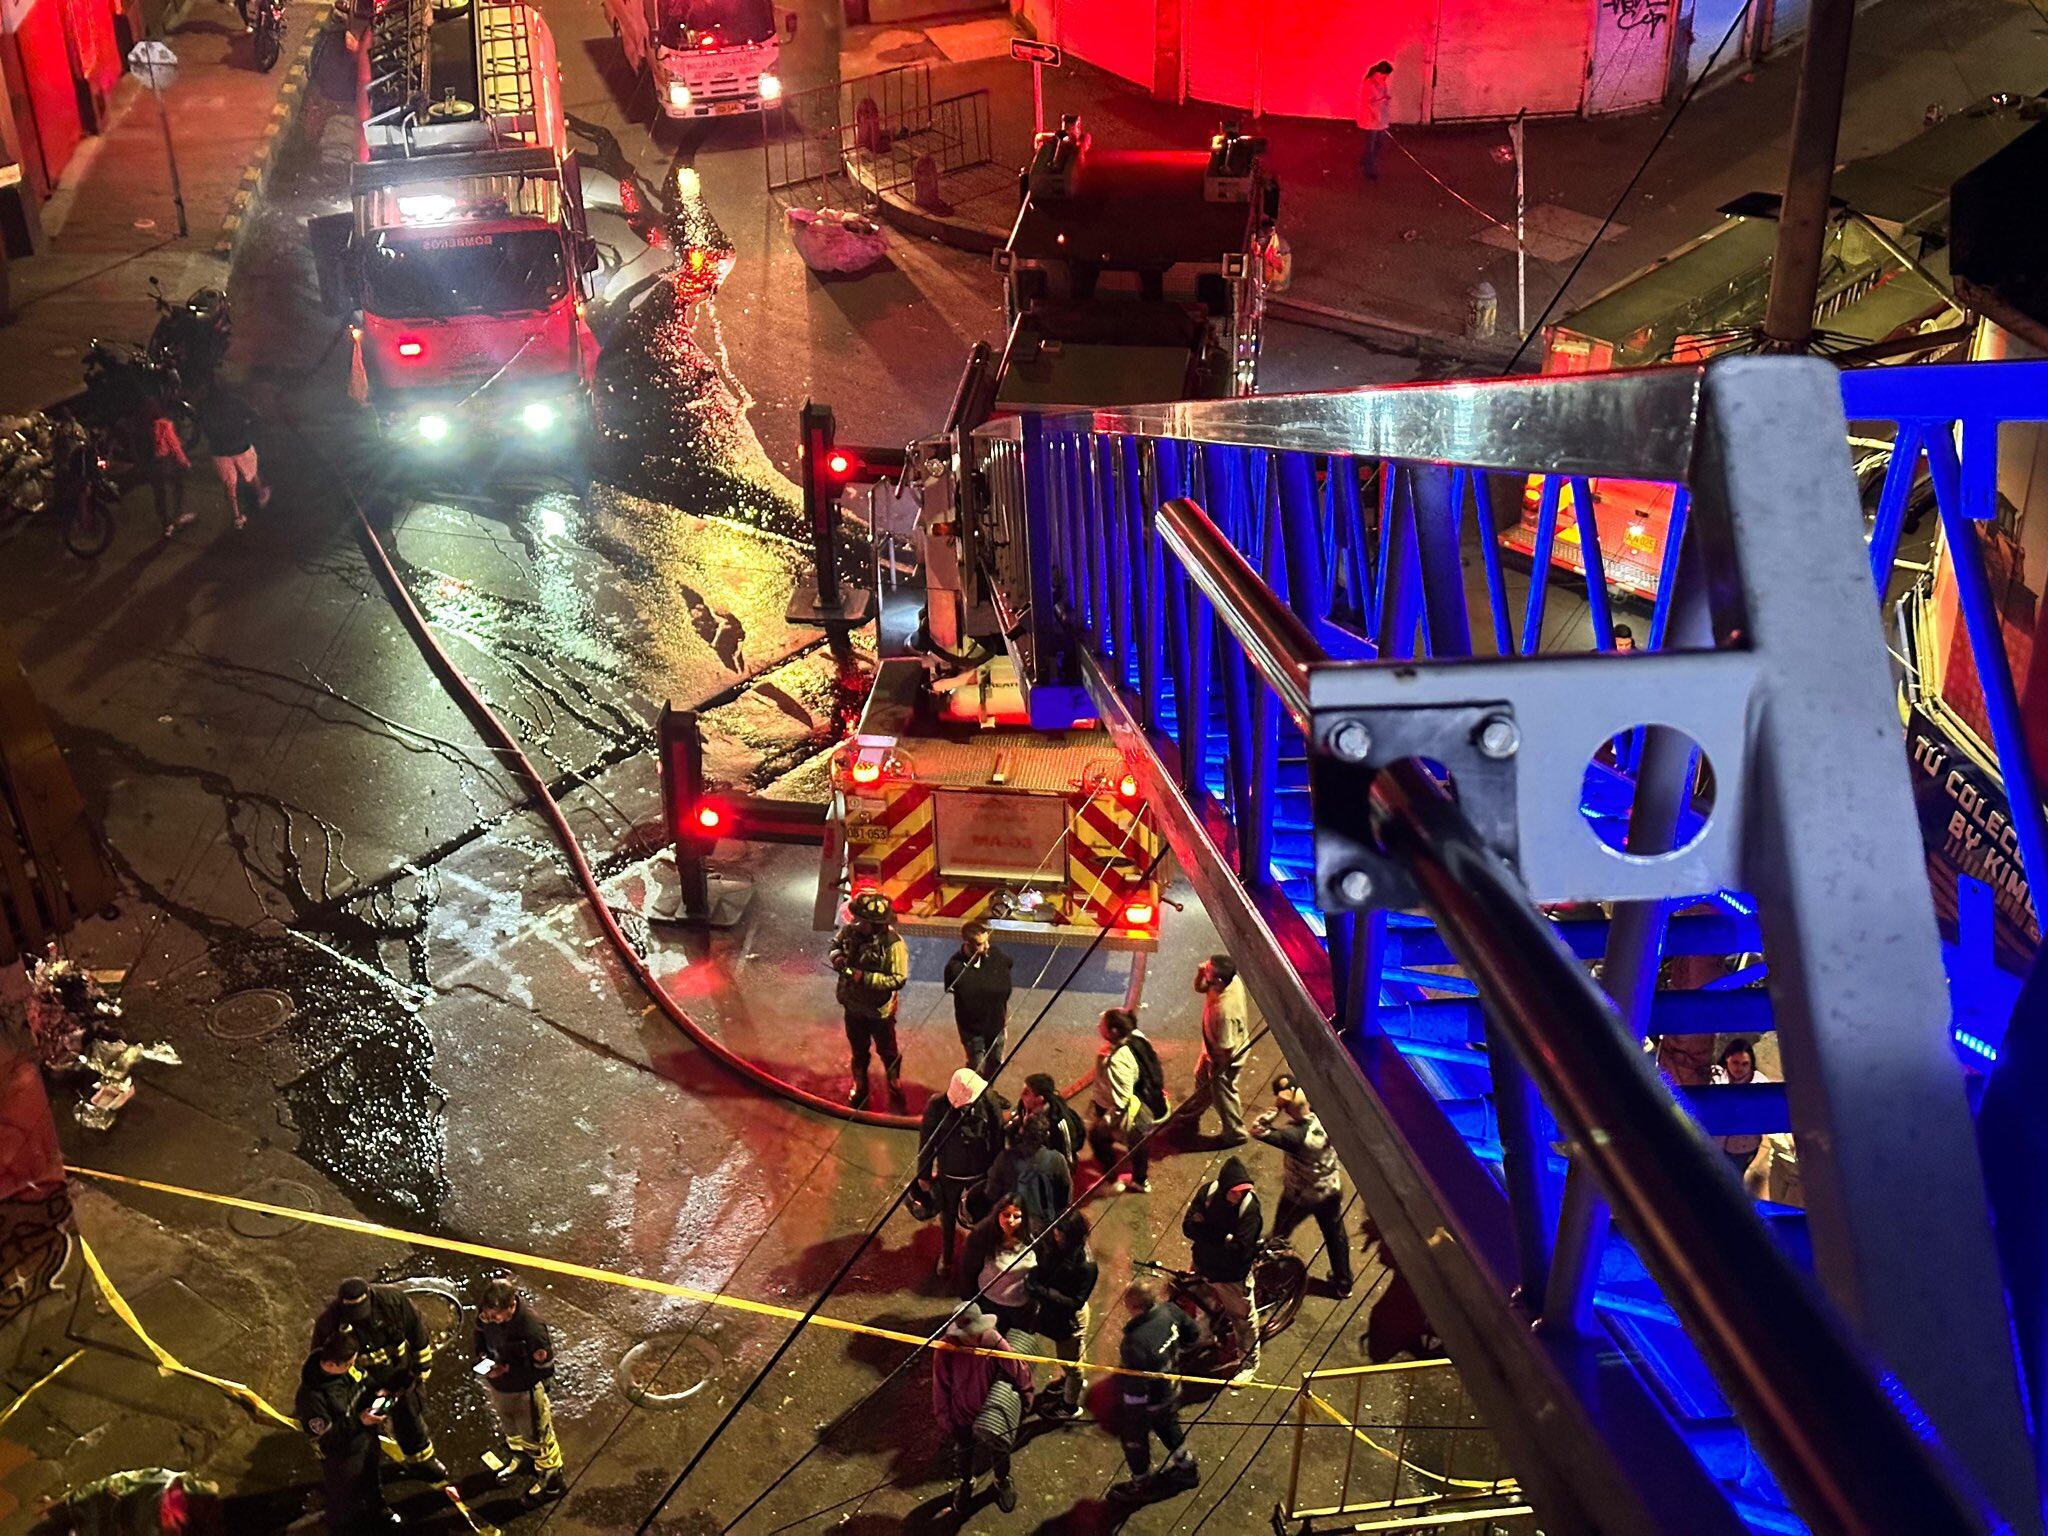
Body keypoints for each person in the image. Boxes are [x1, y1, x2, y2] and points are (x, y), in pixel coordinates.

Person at [309, 1277, 445, 1479]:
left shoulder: (393, 1301)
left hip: (399, 1373)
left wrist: (421, 1368)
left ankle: (422, 1461)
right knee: (363, 1429)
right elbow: (323, 1365)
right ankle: (365, 1471)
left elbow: (416, 1331)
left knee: (410, 1419)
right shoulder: (329, 1323)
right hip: (360, 1383)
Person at [1253, 1074, 1353, 1297]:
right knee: (1335, 1236)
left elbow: (1257, 1129)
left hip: (1299, 1196)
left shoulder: (1294, 1136)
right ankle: (1343, 1284)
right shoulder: (1324, 1116)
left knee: (1280, 1233)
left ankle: (1271, 1280)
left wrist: (1274, 1108)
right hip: (1329, 1190)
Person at [931, 1302, 1033, 1516]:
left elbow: (1016, 1366)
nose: (974, 1337)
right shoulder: (946, 1349)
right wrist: (945, 1418)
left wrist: (1027, 1393)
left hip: (989, 1412)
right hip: (961, 1415)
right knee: (964, 1451)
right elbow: (940, 1386)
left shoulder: (992, 1339)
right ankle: (967, 1481)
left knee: (1000, 1451)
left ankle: (1001, 1479)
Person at [474, 1277, 567, 1506]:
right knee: (511, 1429)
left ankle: (552, 1482)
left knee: (537, 1436)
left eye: (496, 1315)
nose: (491, 1320)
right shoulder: (486, 1314)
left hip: (525, 1392)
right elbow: (479, 1334)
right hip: (500, 1387)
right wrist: (483, 1358)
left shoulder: (532, 1328)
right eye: (488, 1314)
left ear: (511, 1306)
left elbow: (544, 1369)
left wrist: (507, 1370)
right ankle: (522, 1458)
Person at [295, 1332, 399, 1533]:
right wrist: (360, 1421)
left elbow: (364, 1381)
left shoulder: (347, 1368)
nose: (354, 1366)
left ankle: (379, 1511)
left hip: (366, 1439)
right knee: (344, 1498)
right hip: (342, 1456)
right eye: (349, 1363)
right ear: (332, 1364)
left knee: (371, 1479)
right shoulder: (311, 1398)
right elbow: (327, 1438)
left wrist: (378, 1393)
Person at [918, 1067, 1008, 1278]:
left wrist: (997, 1173)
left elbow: (998, 1139)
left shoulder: (989, 1101)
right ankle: (947, 1256)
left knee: (984, 1217)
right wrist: (923, 1175)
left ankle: (981, 1257)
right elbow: (927, 1143)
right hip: (950, 1177)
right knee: (947, 1216)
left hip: (981, 1176)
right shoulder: (937, 1107)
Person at [1182, 1155, 1264, 1387]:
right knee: (1201, 1301)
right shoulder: (1208, 1194)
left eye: (1243, 1192)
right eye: (1235, 1191)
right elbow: (1188, 1228)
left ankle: (1250, 1362)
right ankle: (1204, 1337)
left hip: (1231, 1276)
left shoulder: (1249, 1210)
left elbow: (1240, 1249)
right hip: (1203, 1264)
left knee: (1243, 1319)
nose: (1240, 1196)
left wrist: (1206, 1231)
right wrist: (1223, 1238)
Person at [1113, 1276, 1199, 1496]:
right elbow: (1193, 1334)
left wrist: (1133, 1418)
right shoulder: (1170, 1311)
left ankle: (1140, 1483)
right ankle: (1187, 1467)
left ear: (1134, 1307)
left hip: (1151, 1400)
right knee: (1168, 1426)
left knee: (1134, 1442)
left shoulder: (1135, 1343)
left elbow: (1135, 1388)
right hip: (1171, 1388)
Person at [829, 891, 909, 1109]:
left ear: (876, 924)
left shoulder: (893, 945)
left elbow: (898, 978)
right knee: (858, 1050)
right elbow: (834, 946)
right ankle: (860, 1084)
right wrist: (837, 958)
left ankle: (894, 1082)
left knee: (888, 1051)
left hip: (879, 1012)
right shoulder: (849, 932)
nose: (857, 923)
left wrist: (862, 977)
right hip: (853, 1007)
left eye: (862, 921)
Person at [1173, 955, 1250, 1144]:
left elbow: (1227, 1048)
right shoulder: (1230, 981)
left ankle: (1235, 1133)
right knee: (1201, 1083)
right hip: (1211, 1050)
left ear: (1218, 980)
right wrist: (1201, 973)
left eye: (1208, 970)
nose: (1204, 969)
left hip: (1223, 1059)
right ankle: (1190, 1117)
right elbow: (1200, 988)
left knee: (1222, 1096)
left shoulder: (1224, 1011)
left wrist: (1216, 1069)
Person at [1028, 1212, 1097, 1419]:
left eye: (1060, 1233)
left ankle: (1069, 1406)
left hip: (1070, 1320)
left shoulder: (1086, 1265)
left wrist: (1042, 1291)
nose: (1055, 1235)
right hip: (1059, 1315)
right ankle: (1070, 1381)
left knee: (1071, 1361)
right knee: (1072, 1356)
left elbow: (1075, 1302)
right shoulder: (1061, 1248)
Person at [1087, 1008, 1162, 1195]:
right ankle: (1140, 1180)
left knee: (1098, 1138)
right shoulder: (1137, 1037)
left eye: (1102, 1025)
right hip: (1146, 1103)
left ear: (1113, 1032)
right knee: (1138, 1143)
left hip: (1132, 1111)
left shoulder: (1118, 1061)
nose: (1098, 1027)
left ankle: (1113, 1181)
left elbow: (1122, 1101)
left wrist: (1105, 1123)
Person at [957, 1195, 1039, 1336]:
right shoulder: (983, 1235)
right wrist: (969, 1301)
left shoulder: (1034, 1237)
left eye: (1016, 1216)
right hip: (988, 1302)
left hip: (1019, 1307)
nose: (1011, 1221)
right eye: (1006, 1215)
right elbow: (968, 1270)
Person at [196, 382, 270, 530]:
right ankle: (261, 494)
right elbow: (254, 417)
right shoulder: (236, 401)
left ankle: (237, 517)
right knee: (251, 472)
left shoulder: (203, 407)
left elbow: (202, 427)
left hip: (219, 451)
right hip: (240, 445)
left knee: (230, 484)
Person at [943, 920, 1013, 1074]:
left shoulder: (995, 955)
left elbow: (1008, 963)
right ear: (967, 943)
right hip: (973, 1032)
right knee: (978, 1069)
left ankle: (988, 1089)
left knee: (995, 1063)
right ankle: (978, 1094)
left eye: (987, 941)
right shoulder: (955, 968)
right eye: (981, 944)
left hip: (997, 1026)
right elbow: (958, 990)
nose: (987, 946)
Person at [1710, 1037, 1773, 1181]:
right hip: (1713, 1143)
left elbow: (1765, 1120)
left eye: (1745, 1064)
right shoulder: (1714, 1077)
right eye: (1735, 1062)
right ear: (1727, 1058)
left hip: (1742, 1149)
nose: (1739, 1068)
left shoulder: (1760, 1085)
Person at [1018, 1072, 1085, 1170]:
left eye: (1026, 1092)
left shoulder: (1060, 1124)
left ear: (1039, 1099)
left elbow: (1067, 1159)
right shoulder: (1024, 1106)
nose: (1021, 1095)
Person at [1356, 60, 1393, 180]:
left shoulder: (1382, 83)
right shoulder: (1370, 83)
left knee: (1380, 143)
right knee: (1370, 145)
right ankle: (1369, 169)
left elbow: (1381, 98)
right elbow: (1368, 102)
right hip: (1371, 118)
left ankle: (1366, 160)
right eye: (1386, 74)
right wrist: (1382, 100)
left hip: (1381, 118)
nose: (1387, 77)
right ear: (1379, 72)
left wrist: (1385, 99)